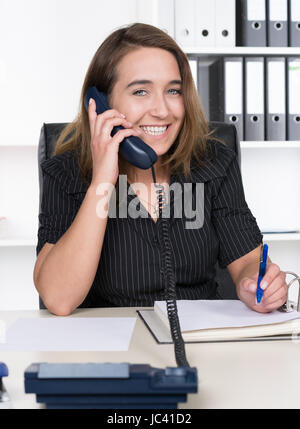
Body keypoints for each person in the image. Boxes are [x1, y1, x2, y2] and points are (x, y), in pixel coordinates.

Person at [33, 23, 288, 316]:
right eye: (140, 91)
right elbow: (58, 298)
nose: (163, 110)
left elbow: (247, 261)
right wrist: (102, 181)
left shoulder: (214, 163)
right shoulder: (66, 173)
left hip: (200, 343)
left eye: (173, 91)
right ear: (100, 104)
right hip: (110, 351)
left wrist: (253, 283)